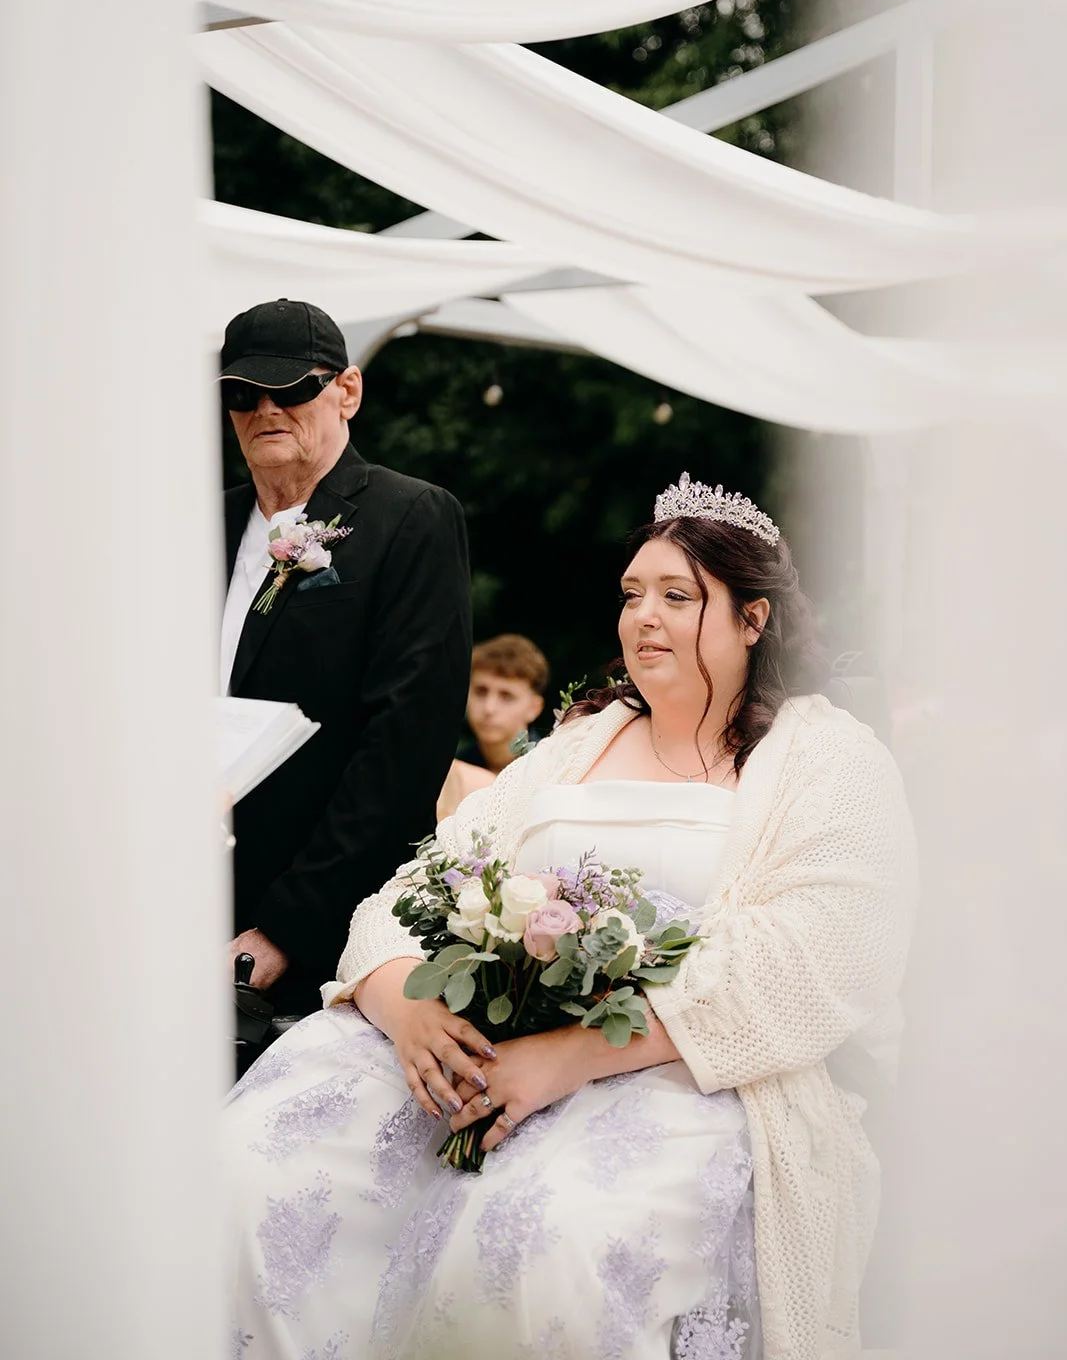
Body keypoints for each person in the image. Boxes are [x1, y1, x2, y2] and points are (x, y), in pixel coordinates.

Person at [223, 473, 915, 1359]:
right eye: (631, 595)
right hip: (481, 1049)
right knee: (252, 1173)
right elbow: (416, 887)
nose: (643, 618)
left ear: (754, 619)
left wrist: (567, 1056)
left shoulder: (827, 760)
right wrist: (403, 1002)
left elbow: (816, 961)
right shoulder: (576, 745)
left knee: (534, 1242)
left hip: (679, 1072)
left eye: (678, 596)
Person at [220, 297, 472, 1018]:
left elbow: (404, 744)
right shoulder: (191, 523)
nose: (266, 407)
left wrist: (285, 929)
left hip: (316, 938)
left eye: (292, 387)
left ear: (347, 391)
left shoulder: (408, 518)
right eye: (242, 394)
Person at [436, 633, 549, 819]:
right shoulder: (453, 767)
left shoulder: (551, 768)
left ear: (534, 708)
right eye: (481, 691)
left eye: (506, 696)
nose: (489, 708)